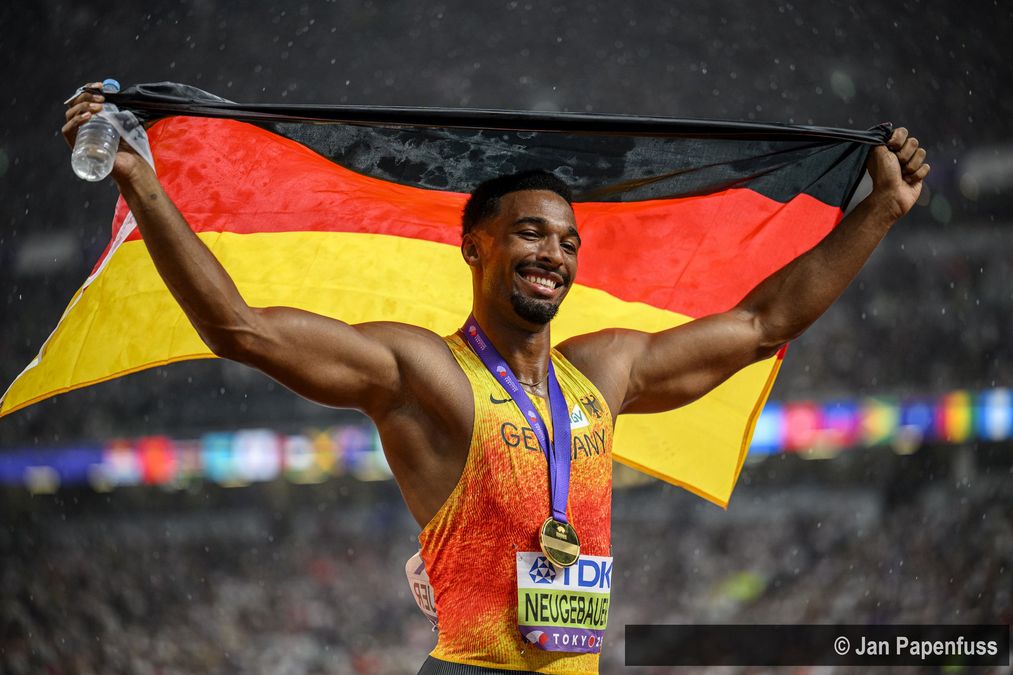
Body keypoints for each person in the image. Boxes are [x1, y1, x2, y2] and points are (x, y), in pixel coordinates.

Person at [63, 83, 929, 675]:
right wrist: (139, 177)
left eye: (565, 241)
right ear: (473, 245)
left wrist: (880, 210)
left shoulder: (603, 372)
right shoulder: (421, 371)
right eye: (529, 234)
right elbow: (239, 328)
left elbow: (760, 323)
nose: (552, 253)